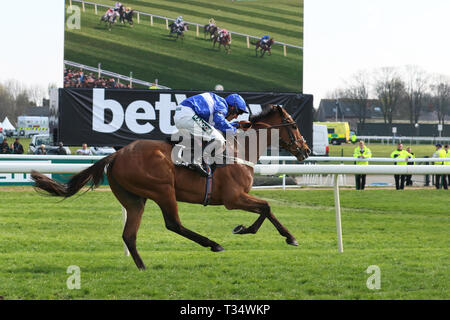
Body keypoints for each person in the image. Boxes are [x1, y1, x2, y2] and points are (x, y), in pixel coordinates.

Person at [173, 92, 248, 176]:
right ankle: (196, 160)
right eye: (238, 113)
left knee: (210, 136)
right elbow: (219, 121)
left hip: (182, 115)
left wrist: (236, 125)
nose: (236, 117)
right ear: (232, 107)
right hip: (189, 116)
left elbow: (216, 124)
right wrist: (234, 131)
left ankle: (185, 157)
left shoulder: (219, 103)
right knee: (219, 139)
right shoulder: (222, 105)